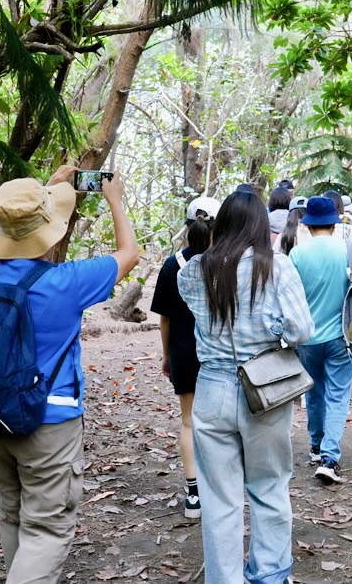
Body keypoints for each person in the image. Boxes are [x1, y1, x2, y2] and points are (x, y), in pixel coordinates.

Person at [0, 165, 140, 583]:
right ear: (50, 228)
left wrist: (48, 186)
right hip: (48, 420)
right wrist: (114, 201)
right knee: (47, 527)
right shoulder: (67, 282)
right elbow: (129, 255)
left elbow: (6, 220)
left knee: (12, 511)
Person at [176, 190, 314, 584]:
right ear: (259, 226)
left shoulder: (196, 270)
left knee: (219, 497)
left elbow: (191, 299)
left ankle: (225, 579)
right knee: (269, 486)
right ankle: (269, 575)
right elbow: (301, 330)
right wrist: (269, 329)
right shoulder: (277, 267)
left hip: (212, 388)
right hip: (265, 386)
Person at [288, 197, 352, 484]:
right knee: (338, 395)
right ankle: (329, 458)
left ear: (307, 225)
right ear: (334, 223)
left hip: (307, 337)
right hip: (343, 337)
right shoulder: (347, 250)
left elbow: (289, 293)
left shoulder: (297, 254)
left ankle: (315, 444)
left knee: (314, 390)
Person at [149, 195, 221, 519]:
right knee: (220, 423)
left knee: (189, 422)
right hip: (219, 355)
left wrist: (166, 355)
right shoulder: (227, 264)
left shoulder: (171, 265)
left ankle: (194, 494)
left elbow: (164, 318)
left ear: (187, 227)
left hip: (182, 351)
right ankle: (221, 486)